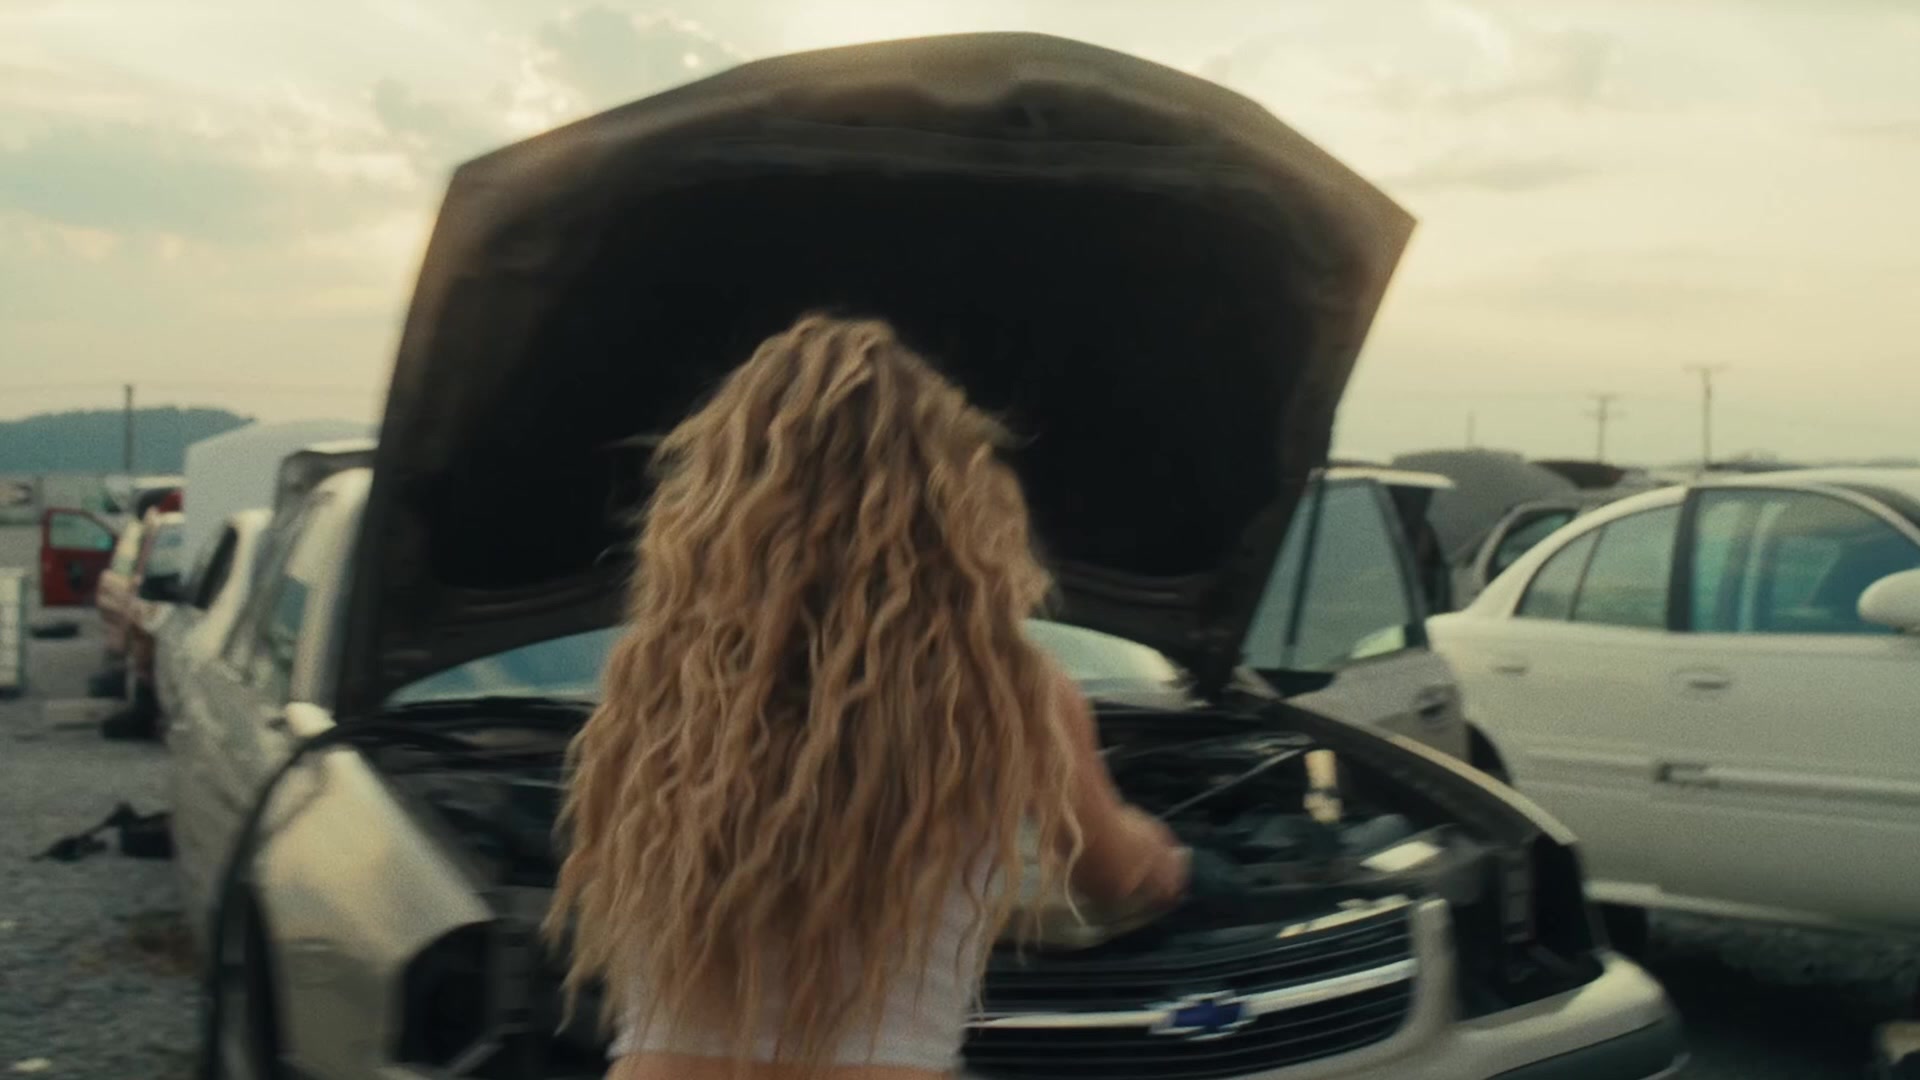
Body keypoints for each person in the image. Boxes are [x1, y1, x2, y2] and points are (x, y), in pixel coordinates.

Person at [547, 314, 1191, 1080]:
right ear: (949, 499)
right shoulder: (1010, 691)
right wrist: (1160, 853)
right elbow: (1112, 877)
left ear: (722, 499)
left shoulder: (656, 683)